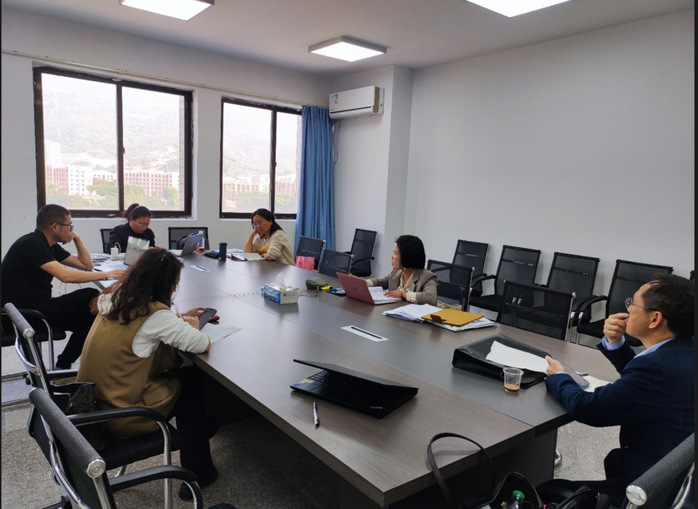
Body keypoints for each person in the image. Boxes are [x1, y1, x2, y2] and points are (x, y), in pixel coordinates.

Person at [76, 248, 219, 500]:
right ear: (164, 284)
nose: (174, 290)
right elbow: (201, 344)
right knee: (190, 383)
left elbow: (149, 326)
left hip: (93, 406)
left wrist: (180, 318)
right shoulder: (154, 314)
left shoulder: (116, 297)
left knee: (187, 384)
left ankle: (203, 431)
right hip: (122, 415)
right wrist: (193, 325)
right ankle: (198, 471)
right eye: (174, 284)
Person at [541, 274, 694, 505]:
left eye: (633, 303)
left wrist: (560, 377)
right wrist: (615, 343)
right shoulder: (683, 352)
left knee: (548, 491)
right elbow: (643, 385)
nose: (628, 309)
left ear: (654, 319)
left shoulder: (657, 368)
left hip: (649, 490)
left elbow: (588, 408)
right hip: (676, 482)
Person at [1, 204, 126, 369]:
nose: (71, 230)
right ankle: (64, 367)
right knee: (90, 295)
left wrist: (77, 239)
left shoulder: (48, 245)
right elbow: (66, 276)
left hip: (33, 309)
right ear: (55, 227)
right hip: (21, 315)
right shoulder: (32, 244)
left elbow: (86, 264)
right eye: (69, 226)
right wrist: (108, 274)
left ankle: (62, 367)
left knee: (92, 317)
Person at [365, 234, 437, 305]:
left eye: (395, 253)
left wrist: (403, 294)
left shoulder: (427, 277)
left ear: (407, 256)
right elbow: (381, 282)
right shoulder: (397, 272)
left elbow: (430, 298)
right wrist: (364, 283)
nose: (392, 257)